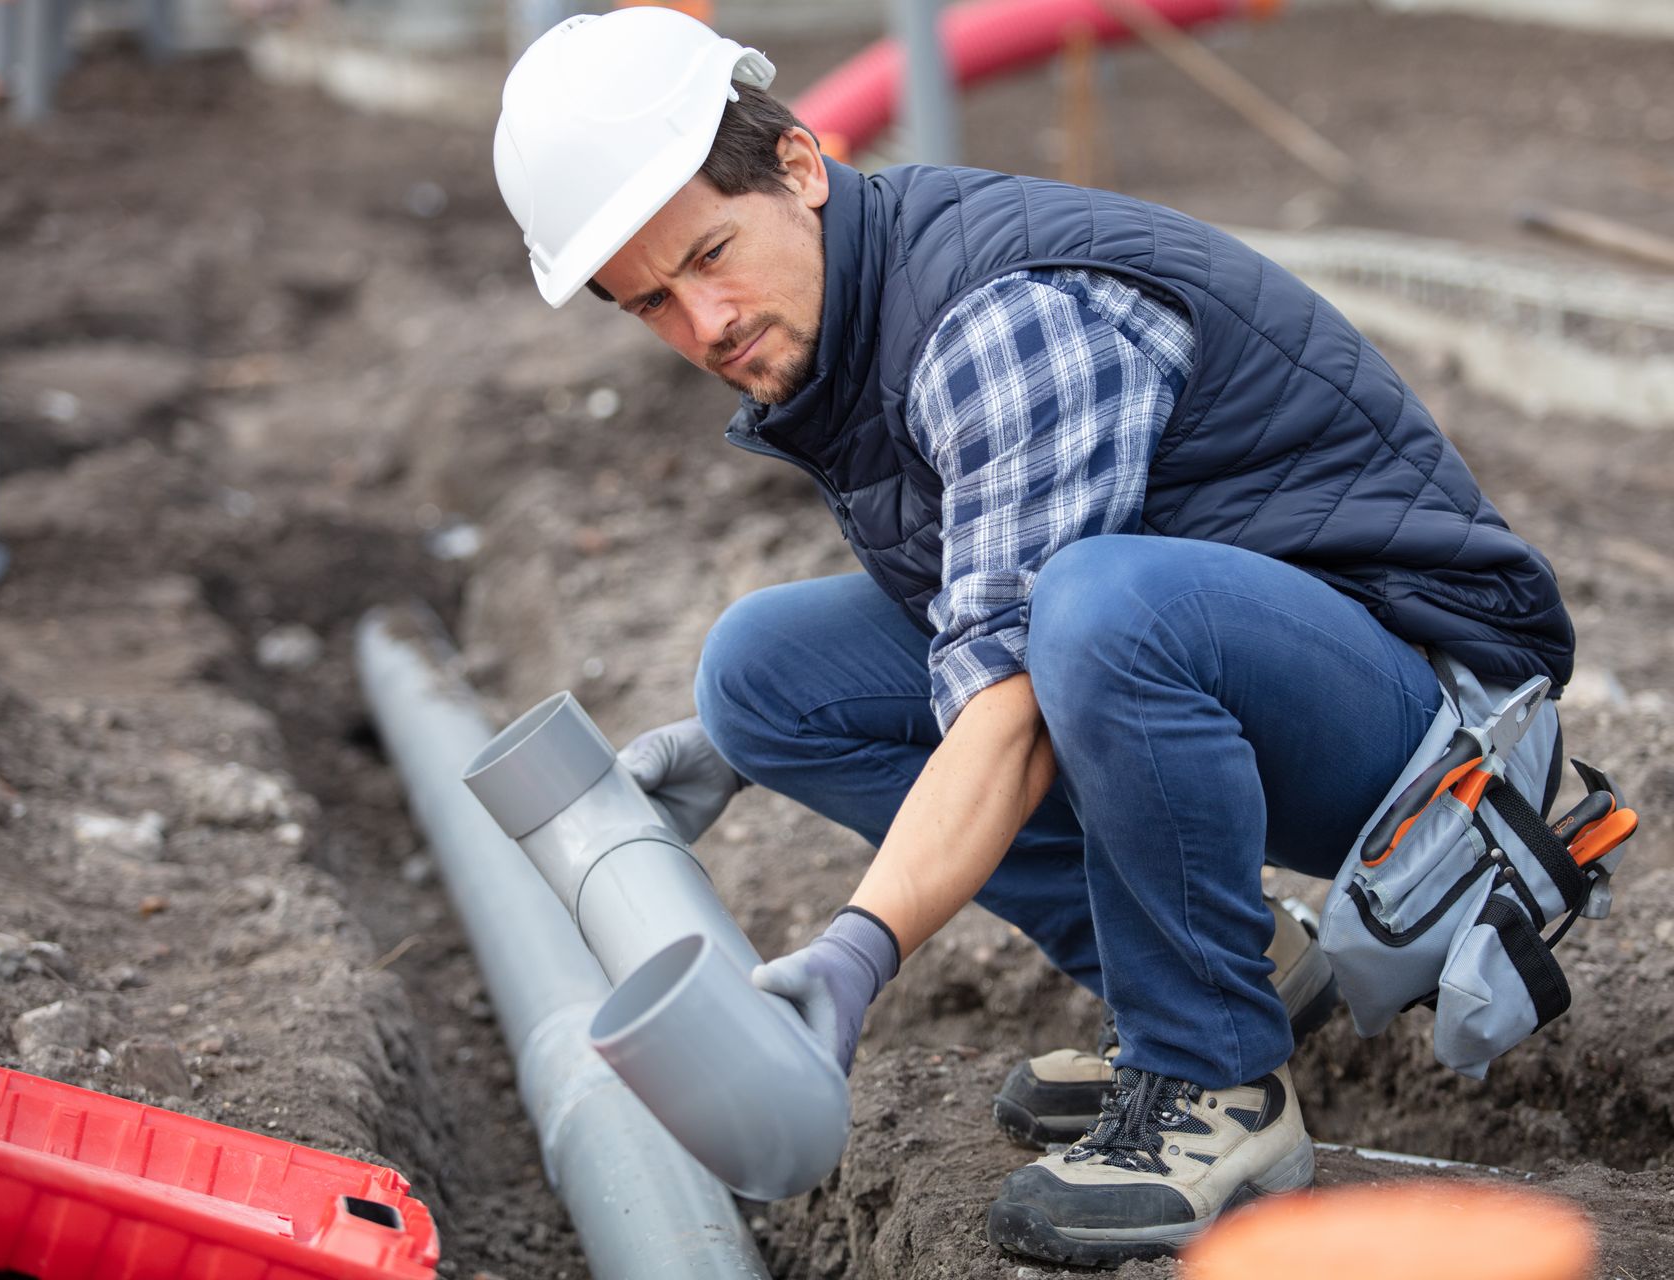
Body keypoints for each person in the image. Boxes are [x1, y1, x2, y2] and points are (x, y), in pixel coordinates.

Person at [494, 9, 1573, 1267]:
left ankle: (1216, 1078)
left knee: (1095, 610)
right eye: (653, 305)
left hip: (1428, 720)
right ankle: (1238, 967)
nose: (706, 323)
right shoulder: (846, 318)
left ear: (798, 165)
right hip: (1234, 659)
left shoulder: (995, 319)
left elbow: (1017, 692)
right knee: (762, 674)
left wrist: (853, 956)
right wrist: (738, 745)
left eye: (712, 255)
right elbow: (974, 615)